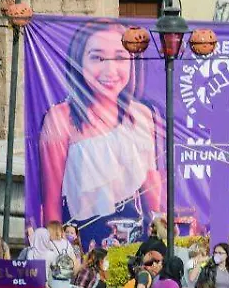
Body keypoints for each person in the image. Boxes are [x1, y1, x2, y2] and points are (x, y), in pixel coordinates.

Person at [37, 20, 162, 241]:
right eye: (97, 57)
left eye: (120, 57)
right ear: (79, 61)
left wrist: (159, 231)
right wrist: (56, 249)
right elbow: (52, 196)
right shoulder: (59, 119)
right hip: (81, 235)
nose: (110, 70)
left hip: (134, 234)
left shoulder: (141, 115)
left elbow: (150, 183)